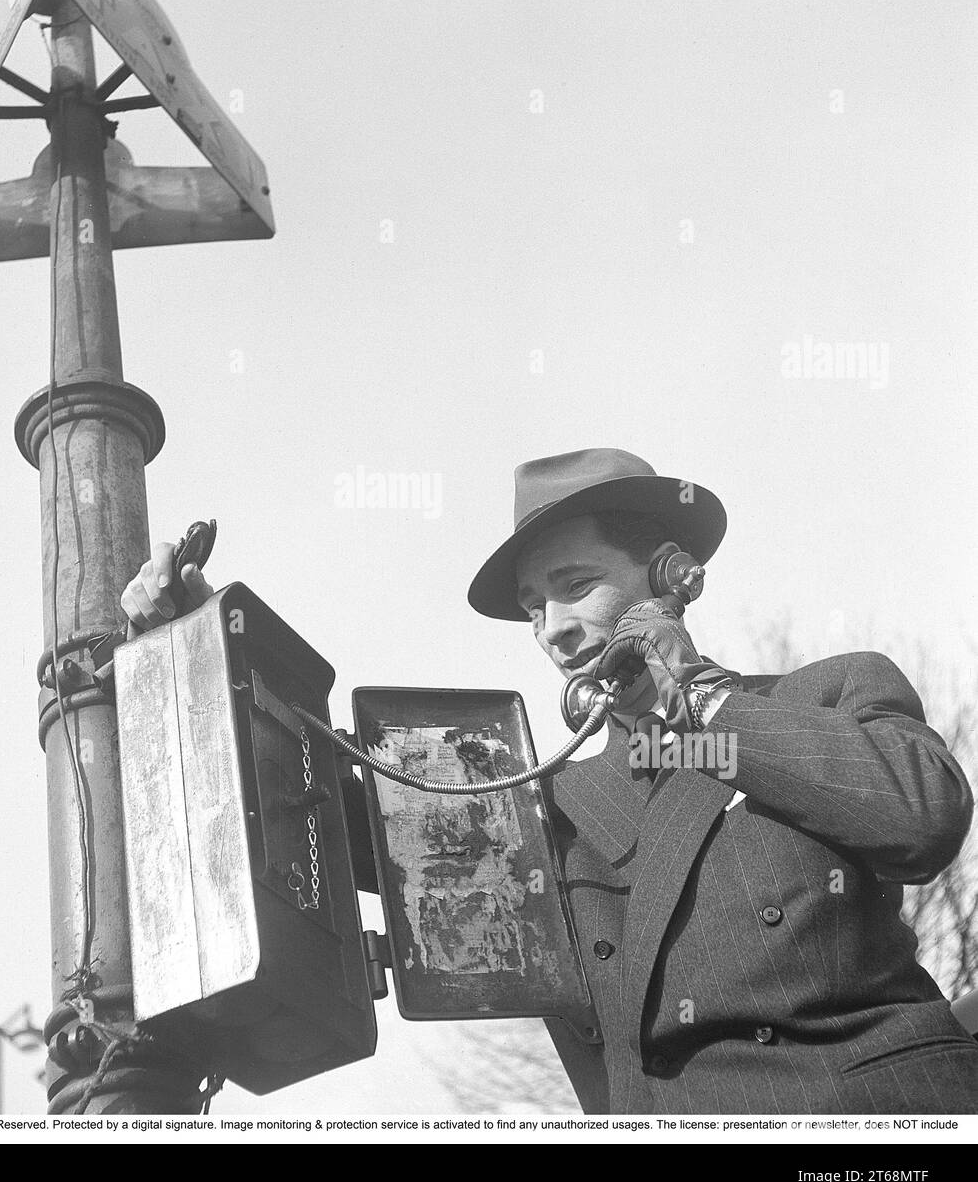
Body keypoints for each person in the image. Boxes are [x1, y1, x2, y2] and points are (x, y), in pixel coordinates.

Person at [122, 447, 978, 1114]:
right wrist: (201, 650)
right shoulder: (542, 801)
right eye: (535, 607)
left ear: (672, 576)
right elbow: (321, 810)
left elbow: (923, 813)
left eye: (576, 587)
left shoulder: (821, 693)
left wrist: (703, 698)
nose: (556, 631)